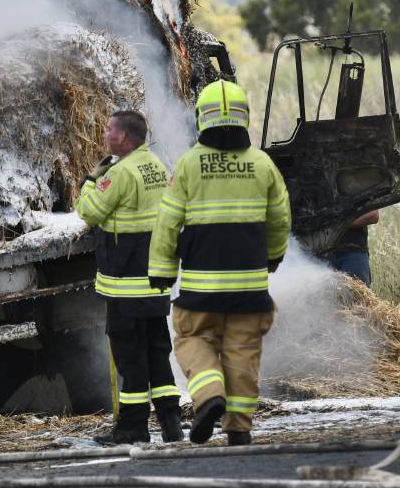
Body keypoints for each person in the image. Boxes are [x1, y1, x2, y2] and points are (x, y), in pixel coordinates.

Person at [148, 80, 291, 446]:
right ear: (244, 117)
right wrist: (274, 257)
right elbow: (280, 220)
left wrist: (161, 271)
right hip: (249, 290)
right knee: (242, 353)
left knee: (193, 339)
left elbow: (167, 222)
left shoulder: (189, 165)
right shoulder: (262, 165)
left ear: (202, 119)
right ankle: (239, 430)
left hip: (201, 291)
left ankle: (209, 396)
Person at [76, 111, 184, 445]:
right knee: (156, 352)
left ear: (123, 137)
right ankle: (171, 422)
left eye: (109, 129)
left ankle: (132, 428)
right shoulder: (155, 165)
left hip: (125, 285)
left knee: (130, 358)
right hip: (153, 283)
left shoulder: (119, 173)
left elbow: (90, 212)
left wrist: (91, 181)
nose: (105, 133)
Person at [324, 211, 378, 287]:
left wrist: (339, 224)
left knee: (357, 298)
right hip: (320, 256)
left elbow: (373, 216)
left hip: (352, 255)